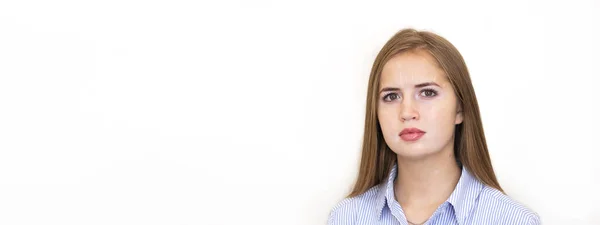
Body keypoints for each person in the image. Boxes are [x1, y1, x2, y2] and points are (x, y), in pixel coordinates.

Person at [327, 28, 540, 225]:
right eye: (391, 96)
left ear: (461, 108)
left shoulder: (512, 220)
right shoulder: (347, 217)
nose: (407, 112)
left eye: (427, 93)